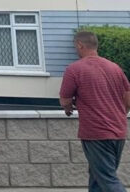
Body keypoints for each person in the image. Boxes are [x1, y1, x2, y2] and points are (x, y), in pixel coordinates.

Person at [60, 30, 130, 192]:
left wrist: (68, 109)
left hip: (96, 134)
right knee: (97, 177)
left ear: (80, 45)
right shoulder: (115, 68)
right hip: (118, 132)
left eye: (75, 47)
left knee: (107, 179)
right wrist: (120, 114)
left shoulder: (74, 69)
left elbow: (65, 100)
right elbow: (128, 97)